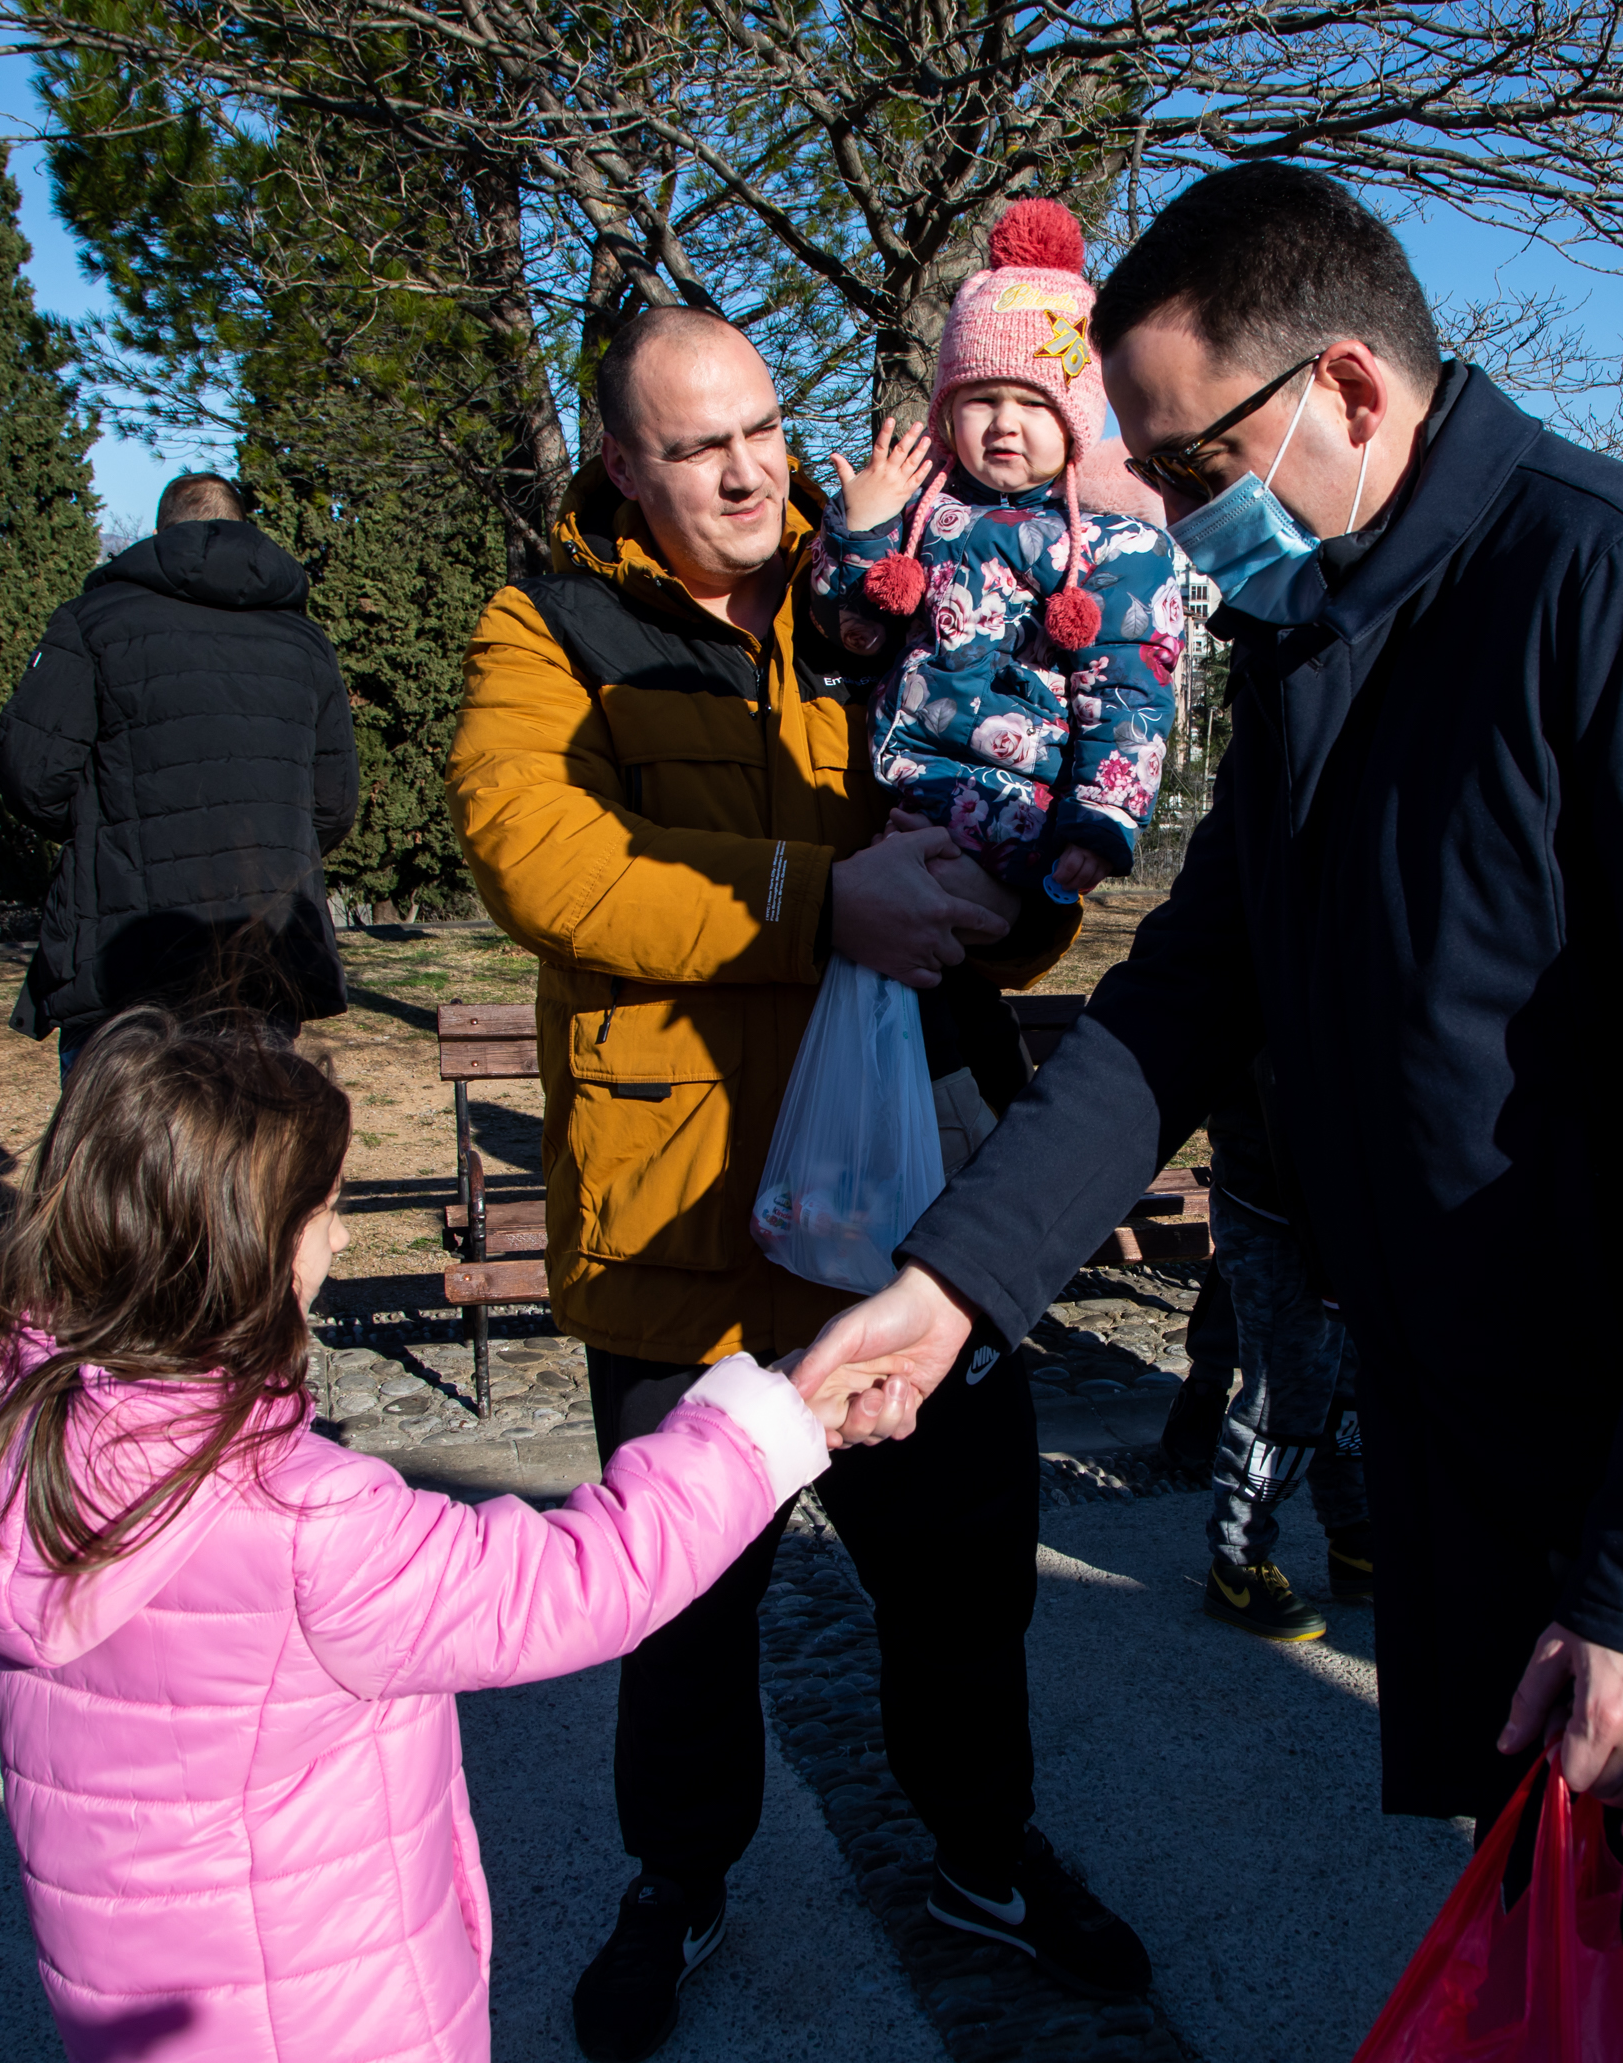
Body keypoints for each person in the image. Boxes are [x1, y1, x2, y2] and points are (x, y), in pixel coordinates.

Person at [798, 161, 1623, 1953]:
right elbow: (1182, 993)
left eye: (1189, 469)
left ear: (1346, 387)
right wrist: (953, 1286)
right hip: (1470, 1454)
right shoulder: (1316, 627)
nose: (1165, 519)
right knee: (1534, 1944)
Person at [444, 306, 1150, 2063]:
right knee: (680, 1604)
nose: (751, 470)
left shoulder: (899, 577)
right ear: (622, 465)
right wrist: (815, 902)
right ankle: (675, 1880)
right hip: (683, 1220)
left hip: (910, 1218)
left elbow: (1010, 801)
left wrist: (1014, 894)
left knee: (964, 1574)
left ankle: (982, 1852)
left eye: (762, 426)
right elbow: (537, 850)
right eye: (699, 447)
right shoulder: (553, 624)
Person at [0, 1010, 848, 2063]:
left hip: (126, 2011)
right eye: (326, 1209)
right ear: (250, 1244)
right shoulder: (303, 1521)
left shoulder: (7, 1433)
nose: (343, 1238)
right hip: (328, 2017)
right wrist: (757, 1429)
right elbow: (578, 1582)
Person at [811, 200, 1188, 898]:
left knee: (944, 935)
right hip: (895, 785)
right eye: (981, 399)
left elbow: (1130, 688)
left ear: (1074, 419)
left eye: (1034, 403)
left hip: (1022, 808)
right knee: (880, 943)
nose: (1005, 425)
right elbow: (851, 630)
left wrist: (1102, 815)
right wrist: (858, 529)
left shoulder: (1113, 544)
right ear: (947, 412)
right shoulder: (918, 514)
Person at [0, 472, 358, 1074]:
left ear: (162, 534)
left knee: (118, 1130)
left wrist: (109, 825)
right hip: (261, 949)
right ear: (243, 529)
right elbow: (333, 804)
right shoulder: (305, 643)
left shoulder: (91, 623)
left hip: (125, 948)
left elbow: (32, 777)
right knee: (249, 1126)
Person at [1191, 1059, 1370, 1642]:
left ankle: (1355, 1538)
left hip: (1348, 1207)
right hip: (1274, 1207)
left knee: (1349, 1383)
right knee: (1283, 1397)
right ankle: (1237, 1565)